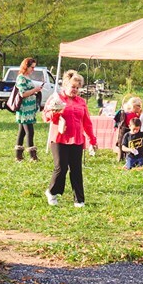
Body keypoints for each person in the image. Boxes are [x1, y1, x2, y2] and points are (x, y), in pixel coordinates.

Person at [43, 69, 95, 206]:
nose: (75, 90)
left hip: (77, 139)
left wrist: (92, 140)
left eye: (78, 87)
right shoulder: (56, 98)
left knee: (76, 169)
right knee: (61, 167)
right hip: (60, 138)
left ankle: (79, 200)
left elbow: (87, 122)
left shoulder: (81, 102)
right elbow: (46, 116)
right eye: (73, 86)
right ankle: (52, 192)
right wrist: (54, 113)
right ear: (65, 85)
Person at [10, 57, 44, 162]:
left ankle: (18, 156)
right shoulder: (21, 78)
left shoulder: (27, 77)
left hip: (29, 108)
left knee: (22, 132)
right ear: (26, 66)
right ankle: (32, 156)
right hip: (24, 109)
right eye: (32, 67)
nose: (33, 69)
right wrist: (35, 90)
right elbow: (23, 94)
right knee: (30, 131)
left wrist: (35, 92)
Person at [116, 97, 143, 169]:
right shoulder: (132, 116)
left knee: (140, 165)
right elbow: (123, 147)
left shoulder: (132, 115)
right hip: (131, 153)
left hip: (140, 154)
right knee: (131, 166)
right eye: (139, 106)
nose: (140, 108)